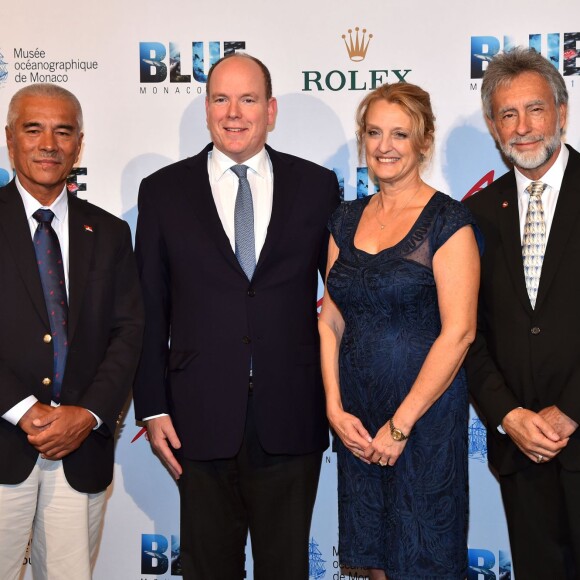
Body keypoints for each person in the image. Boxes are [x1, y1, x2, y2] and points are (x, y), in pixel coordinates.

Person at [133, 53, 340, 579]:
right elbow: (150, 309)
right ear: (206, 109)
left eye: (247, 99)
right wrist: (152, 408)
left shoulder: (317, 187)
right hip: (196, 418)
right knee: (207, 569)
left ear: (270, 110)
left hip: (292, 414)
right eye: (221, 99)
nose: (233, 113)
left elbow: (341, 302)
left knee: (284, 568)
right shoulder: (162, 192)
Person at [318, 82, 481, 579]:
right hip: (359, 422)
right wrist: (334, 407)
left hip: (422, 423)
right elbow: (331, 318)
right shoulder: (344, 219)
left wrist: (400, 425)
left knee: (420, 563)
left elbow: (460, 333)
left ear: (424, 142)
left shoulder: (448, 221)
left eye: (400, 134)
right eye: (373, 133)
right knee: (373, 565)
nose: (384, 146)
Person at [0, 83, 143, 580]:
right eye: (33, 129)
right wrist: (23, 410)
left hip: (80, 448)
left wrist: (89, 413)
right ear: (9, 138)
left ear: (79, 144)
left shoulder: (108, 231)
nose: (48, 144)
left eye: (63, 132)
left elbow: (129, 332)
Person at [464, 46, 580, 579]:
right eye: (508, 114)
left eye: (535, 109)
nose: (523, 127)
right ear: (492, 125)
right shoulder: (477, 215)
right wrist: (508, 416)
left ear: (562, 111)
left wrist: (568, 411)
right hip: (520, 451)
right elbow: (468, 333)